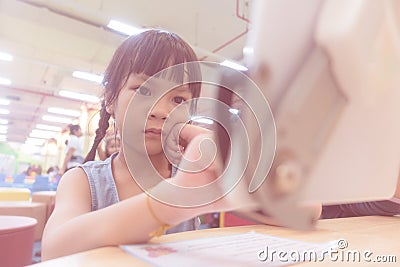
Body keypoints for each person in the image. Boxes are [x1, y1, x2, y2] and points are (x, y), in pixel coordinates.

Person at [41, 29, 239, 260]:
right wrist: (175, 200)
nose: (160, 111)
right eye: (143, 90)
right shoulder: (83, 181)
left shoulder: (189, 174)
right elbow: (53, 250)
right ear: (111, 99)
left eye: (178, 99)